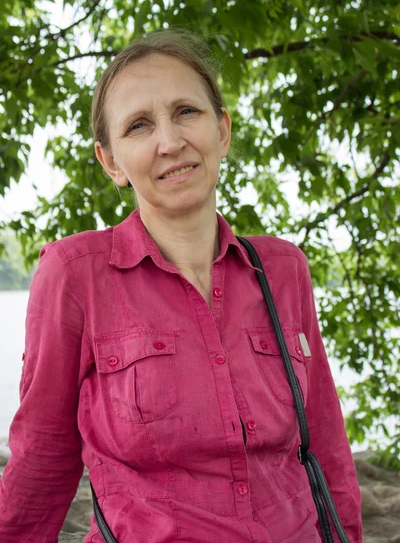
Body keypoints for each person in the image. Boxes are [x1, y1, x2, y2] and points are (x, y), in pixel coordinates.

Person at [0, 29, 362, 543]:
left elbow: (325, 447)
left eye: (187, 112)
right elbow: (42, 458)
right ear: (111, 163)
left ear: (223, 129)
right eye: (140, 126)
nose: (170, 142)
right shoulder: (75, 273)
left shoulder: (284, 271)